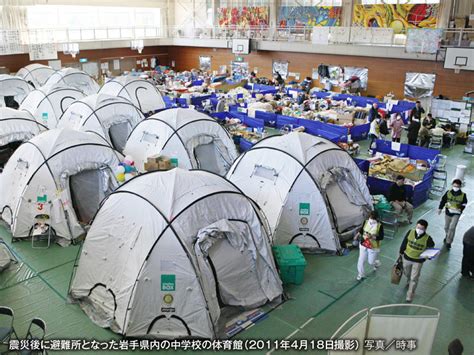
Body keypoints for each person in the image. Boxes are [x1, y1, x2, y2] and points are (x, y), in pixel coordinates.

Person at [399, 219, 435, 302]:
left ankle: (410, 294)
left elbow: (431, 248)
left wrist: (427, 256)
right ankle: (408, 280)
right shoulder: (410, 232)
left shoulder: (428, 238)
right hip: (407, 257)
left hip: (418, 261)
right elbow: (405, 242)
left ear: (425, 229)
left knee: (414, 278)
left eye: (421, 228)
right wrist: (401, 252)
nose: (419, 229)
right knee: (407, 273)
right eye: (418, 227)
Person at [438, 179, 467, 250]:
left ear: (460, 186)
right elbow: (443, 200)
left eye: (457, 186)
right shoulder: (448, 193)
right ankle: (448, 235)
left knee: (452, 227)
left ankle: (449, 242)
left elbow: (464, 203)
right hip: (448, 212)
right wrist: (440, 208)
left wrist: (459, 208)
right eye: (454, 186)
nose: (455, 187)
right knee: (446, 227)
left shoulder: (463, 195)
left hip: (456, 213)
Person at [355, 211, 384, 281]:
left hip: (373, 246)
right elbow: (362, 230)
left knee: (371, 262)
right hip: (363, 244)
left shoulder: (379, 225)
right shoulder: (366, 222)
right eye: (370, 217)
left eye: (373, 218)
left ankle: (376, 263)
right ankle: (361, 274)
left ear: (376, 218)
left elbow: (381, 237)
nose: (371, 219)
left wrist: (372, 237)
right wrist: (357, 235)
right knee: (361, 260)